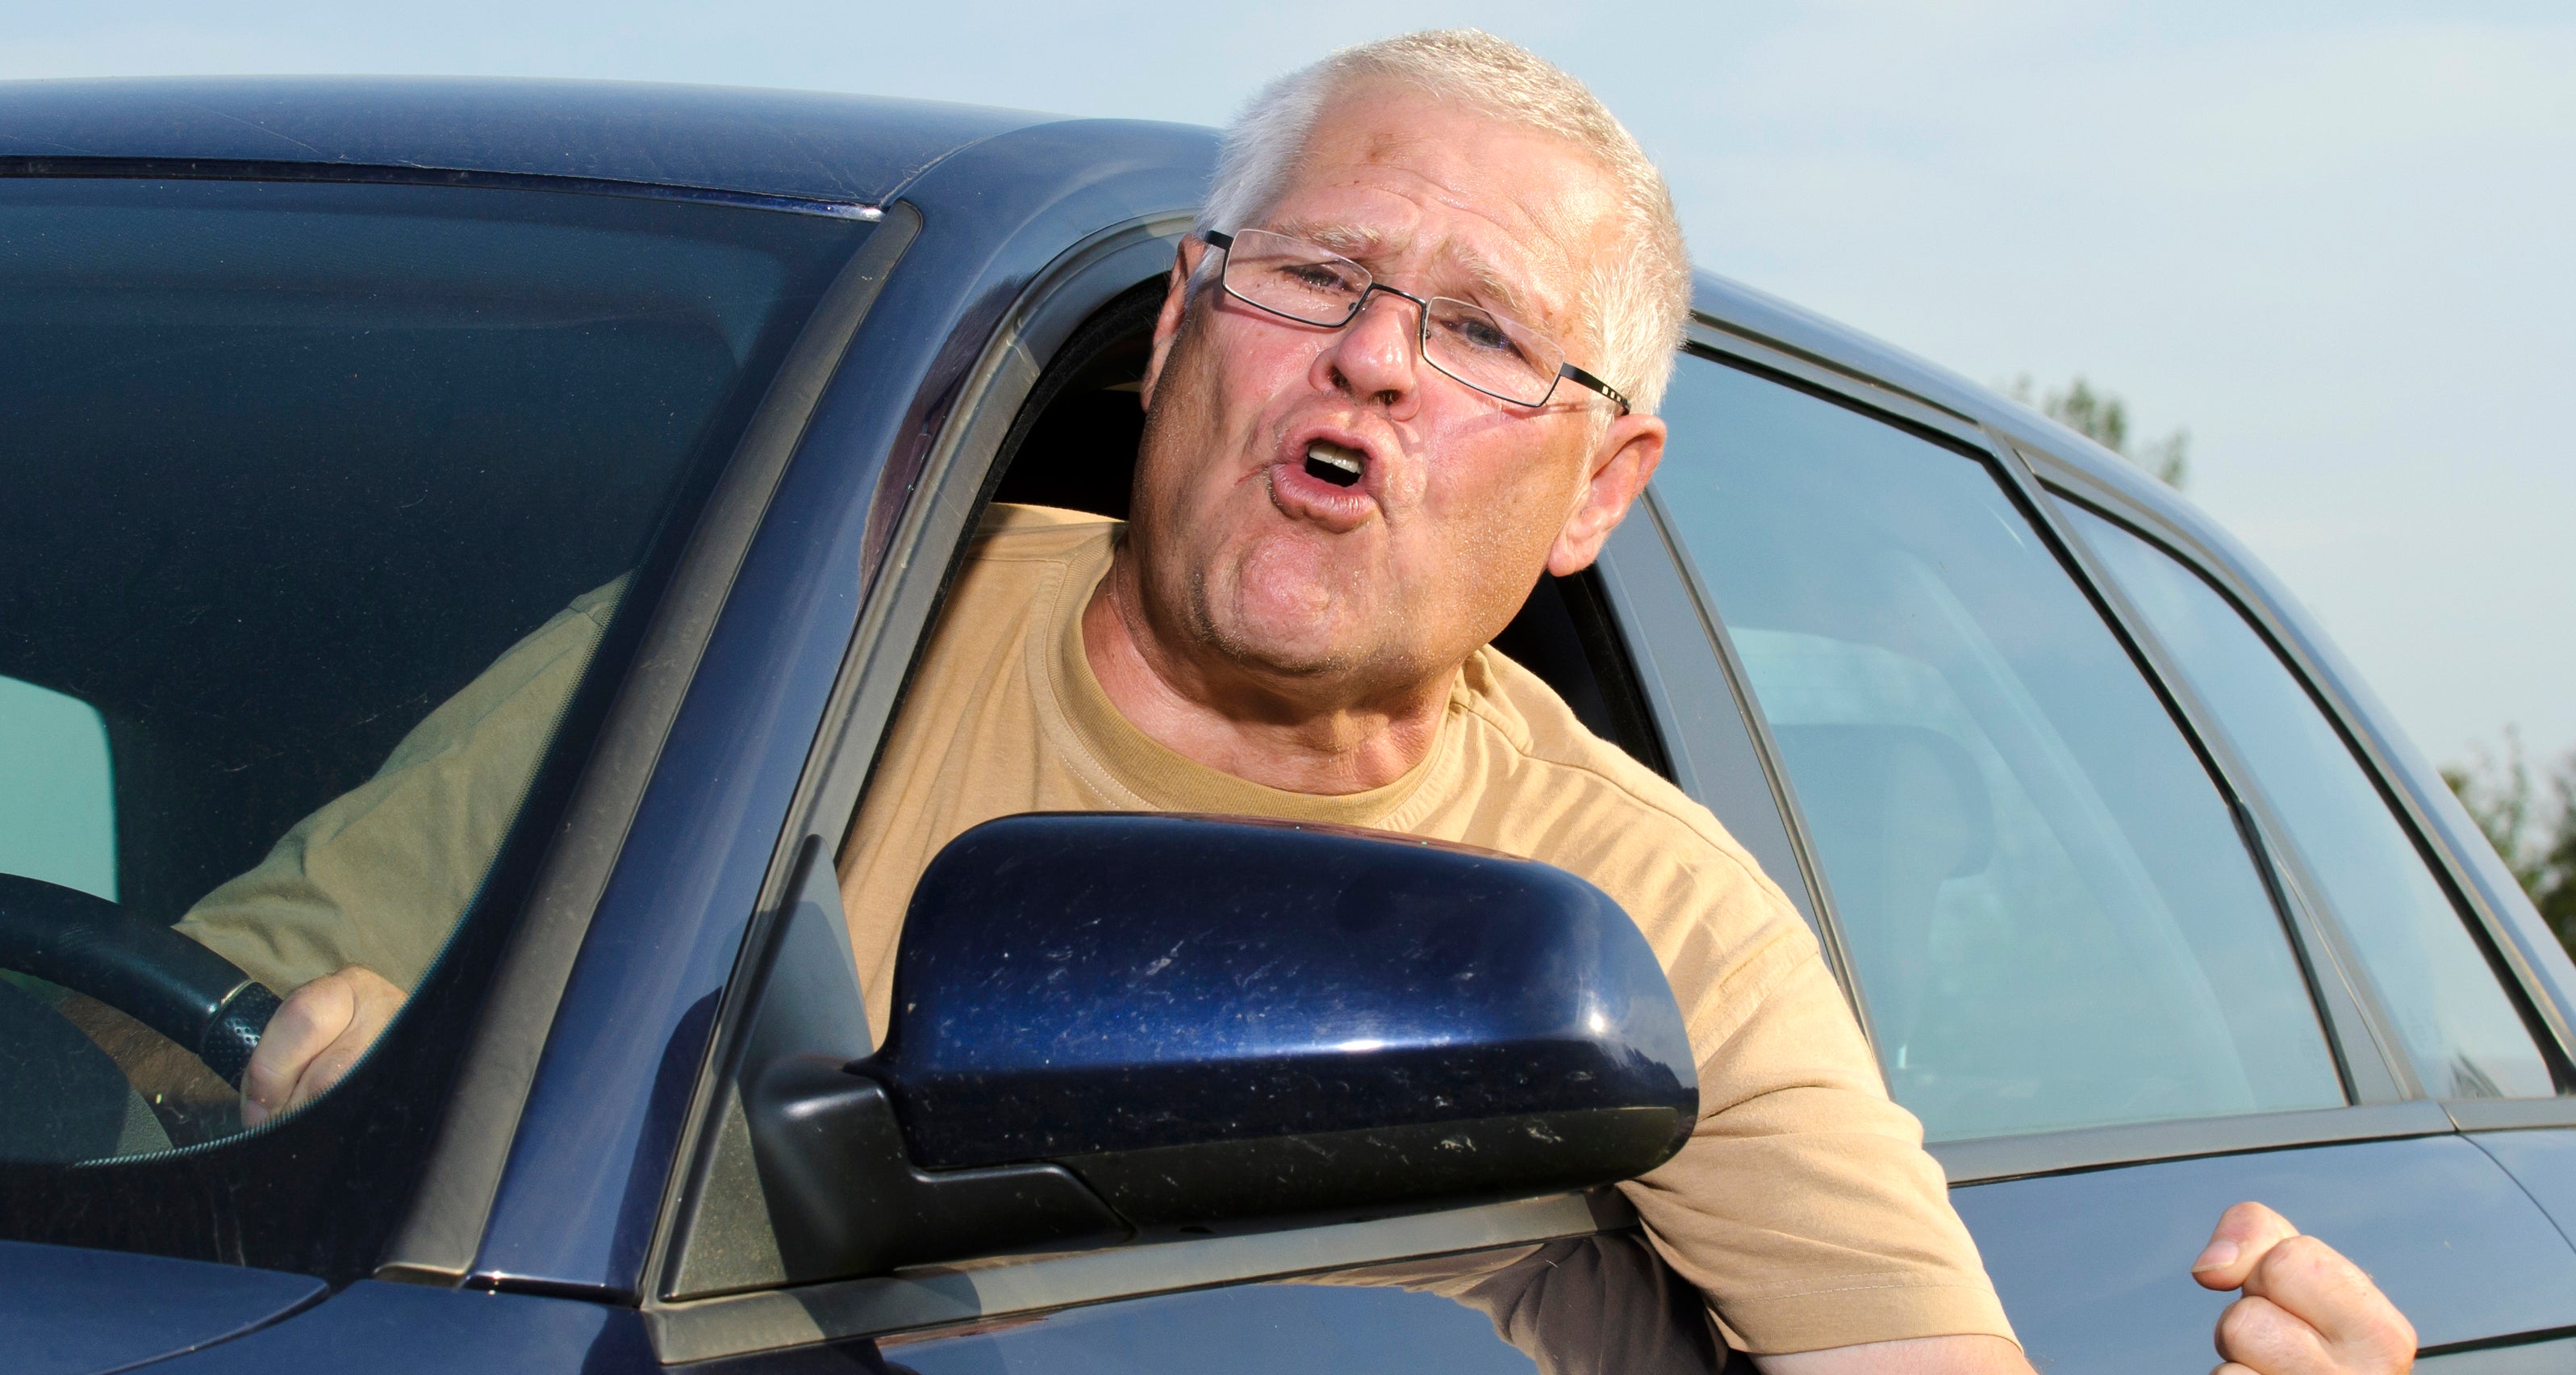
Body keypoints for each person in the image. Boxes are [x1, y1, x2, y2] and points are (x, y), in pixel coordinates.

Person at [171, 29, 2417, 1375]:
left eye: (1478, 335)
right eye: (1322, 276)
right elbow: (145, 1028)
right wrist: (313, 1079)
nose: (1369, 357)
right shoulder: (772, 642)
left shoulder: (1634, 902)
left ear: (1595, 486)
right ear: (1177, 331)